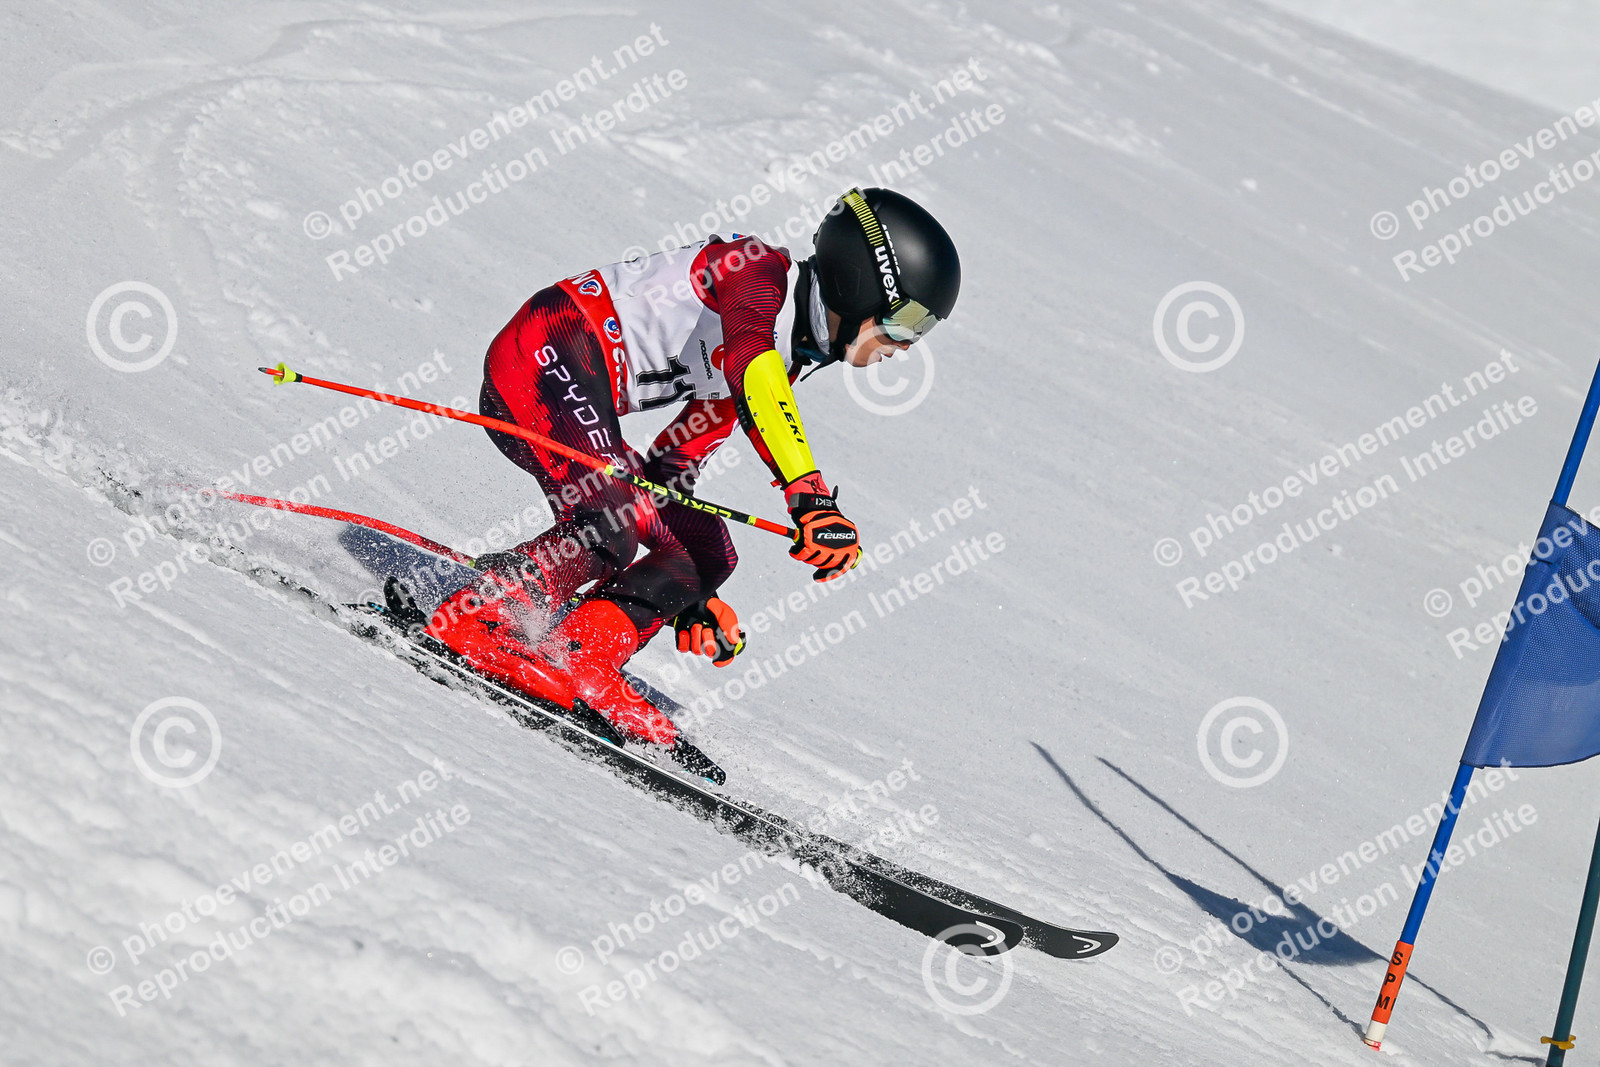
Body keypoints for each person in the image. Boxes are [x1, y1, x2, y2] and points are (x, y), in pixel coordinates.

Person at [424, 187, 960, 761]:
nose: (905, 346)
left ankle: (582, 652)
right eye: (907, 321)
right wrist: (809, 498)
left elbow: (672, 467)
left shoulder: (786, 357)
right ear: (862, 283)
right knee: (610, 524)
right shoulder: (757, 273)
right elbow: (751, 368)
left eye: (921, 331)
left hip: (568, 390)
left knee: (705, 550)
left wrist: (680, 590)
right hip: (544, 352)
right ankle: (480, 614)